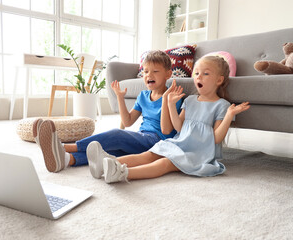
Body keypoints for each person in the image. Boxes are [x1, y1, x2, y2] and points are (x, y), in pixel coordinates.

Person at [86, 55, 251, 183]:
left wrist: (229, 116)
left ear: (219, 80)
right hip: (179, 143)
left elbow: (216, 138)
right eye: (197, 73)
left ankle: (122, 173)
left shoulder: (222, 105)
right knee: (149, 155)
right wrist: (171, 105)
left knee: (165, 163)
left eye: (205, 74)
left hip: (198, 153)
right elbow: (179, 128)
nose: (199, 77)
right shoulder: (190, 100)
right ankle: (107, 163)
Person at [33, 50, 183, 174]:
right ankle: (67, 159)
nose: (149, 75)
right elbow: (127, 121)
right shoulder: (143, 96)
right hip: (142, 138)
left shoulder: (172, 97)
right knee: (111, 152)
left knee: (117, 134)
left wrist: (165, 101)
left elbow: (166, 130)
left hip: (158, 142)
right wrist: (120, 97)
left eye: (155, 71)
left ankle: (64, 147)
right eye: (145, 71)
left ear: (168, 74)